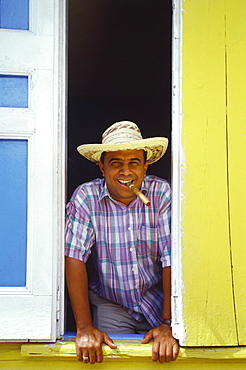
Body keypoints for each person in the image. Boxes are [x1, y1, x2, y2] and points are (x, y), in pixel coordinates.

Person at [65, 121, 179, 364]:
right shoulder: (86, 198)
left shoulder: (161, 193)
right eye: (116, 163)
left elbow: (172, 258)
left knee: (165, 357)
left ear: (145, 167)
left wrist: (169, 323)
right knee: (111, 361)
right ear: (102, 168)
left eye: (133, 163)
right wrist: (84, 327)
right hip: (111, 300)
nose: (126, 172)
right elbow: (74, 257)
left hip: (157, 298)